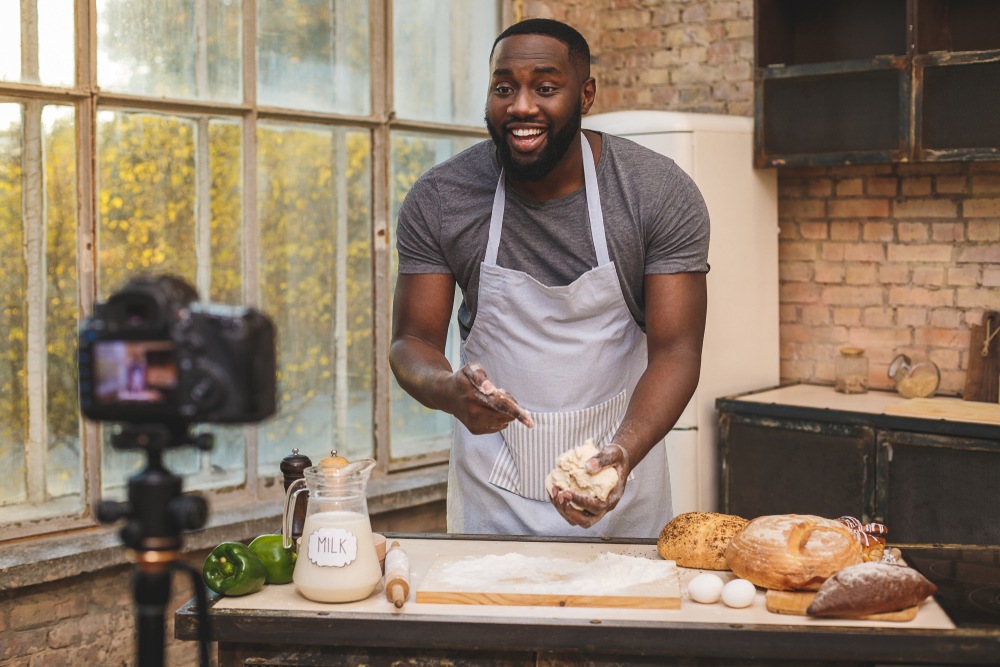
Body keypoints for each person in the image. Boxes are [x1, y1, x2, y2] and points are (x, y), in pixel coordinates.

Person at [389, 18, 709, 537]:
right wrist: (450, 391)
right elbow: (411, 341)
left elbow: (677, 352)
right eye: (503, 87)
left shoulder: (655, 192)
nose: (520, 106)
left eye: (545, 87)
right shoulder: (442, 198)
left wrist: (622, 454)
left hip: (620, 489)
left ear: (585, 96)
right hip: (491, 500)